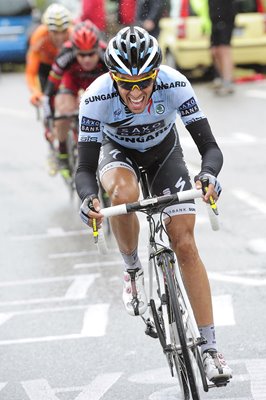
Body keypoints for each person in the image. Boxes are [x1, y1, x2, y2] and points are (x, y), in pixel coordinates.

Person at [76, 26, 232, 384]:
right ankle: (132, 269)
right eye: (126, 84)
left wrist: (207, 175)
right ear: (112, 77)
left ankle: (209, 349)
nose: (135, 92)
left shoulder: (175, 84)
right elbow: (84, 169)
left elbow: (210, 148)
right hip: (118, 156)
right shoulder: (96, 97)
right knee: (122, 196)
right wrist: (89, 198)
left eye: (144, 82)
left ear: (156, 75)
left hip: (165, 154)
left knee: (186, 244)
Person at [43, 20, 108, 178]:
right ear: (74, 51)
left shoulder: (106, 54)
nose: (87, 59)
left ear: (97, 49)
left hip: (98, 83)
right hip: (72, 82)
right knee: (64, 112)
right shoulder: (65, 55)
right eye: (81, 55)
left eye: (91, 54)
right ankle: (63, 153)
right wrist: (50, 117)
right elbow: (50, 91)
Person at [25, 3, 72, 108]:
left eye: (64, 31)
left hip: (65, 67)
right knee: (46, 100)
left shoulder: (73, 35)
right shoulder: (39, 37)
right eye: (55, 32)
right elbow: (31, 72)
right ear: (47, 29)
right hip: (46, 67)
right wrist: (35, 92)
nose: (60, 37)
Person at [208, 0, 236, 95]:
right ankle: (222, 78)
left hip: (225, 17)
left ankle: (227, 83)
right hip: (214, 19)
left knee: (224, 50)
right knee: (215, 51)